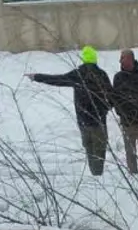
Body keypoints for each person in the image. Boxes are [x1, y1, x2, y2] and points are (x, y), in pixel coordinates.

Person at [25, 46, 114, 176]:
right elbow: (111, 96)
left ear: (83, 59)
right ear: (95, 59)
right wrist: (106, 108)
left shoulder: (77, 74)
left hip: (83, 121)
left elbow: (57, 79)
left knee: (89, 150)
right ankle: (98, 175)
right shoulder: (102, 75)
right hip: (99, 121)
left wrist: (37, 77)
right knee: (99, 151)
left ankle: (95, 174)